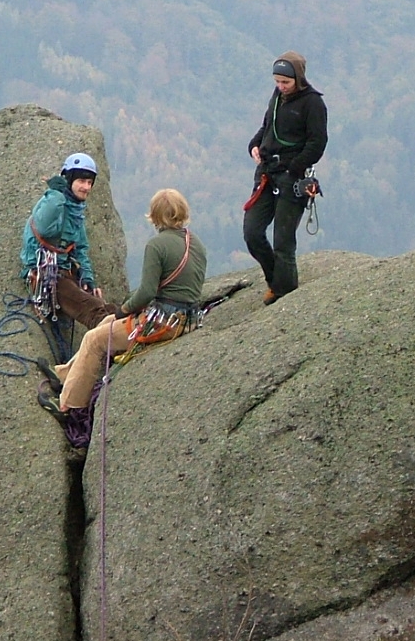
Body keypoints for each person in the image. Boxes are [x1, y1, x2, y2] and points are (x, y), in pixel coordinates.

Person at [42, 188, 207, 412]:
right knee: (105, 322)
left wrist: (125, 309)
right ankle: (64, 374)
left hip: (162, 323)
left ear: (156, 215)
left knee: (94, 339)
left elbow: (147, 292)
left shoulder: (157, 245)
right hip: (187, 319)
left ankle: (69, 405)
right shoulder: (195, 242)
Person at [243, 51, 327, 304]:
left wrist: (294, 168)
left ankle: (285, 292)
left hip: (292, 177)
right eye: (277, 82)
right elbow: (267, 125)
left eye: (285, 83)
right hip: (267, 173)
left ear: (298, 79)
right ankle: (275, 281)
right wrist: (254, 144)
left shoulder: (313, 103)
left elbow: (318, 143)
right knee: (253, 232)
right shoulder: (278, 97)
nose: (281, 87)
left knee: (283, 240)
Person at [20, 152, 116, 329]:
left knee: (103, 306)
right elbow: (43, 227)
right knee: (93, 311)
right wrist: (57, 194)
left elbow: (81, 248)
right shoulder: (53, 204)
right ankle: (113, 339)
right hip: (46, 274)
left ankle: (119, 326)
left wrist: (87, 278)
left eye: (89, 183)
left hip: (64, 271)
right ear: (69, 180)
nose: (86, 187)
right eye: (81, 181)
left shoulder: (75, 211)